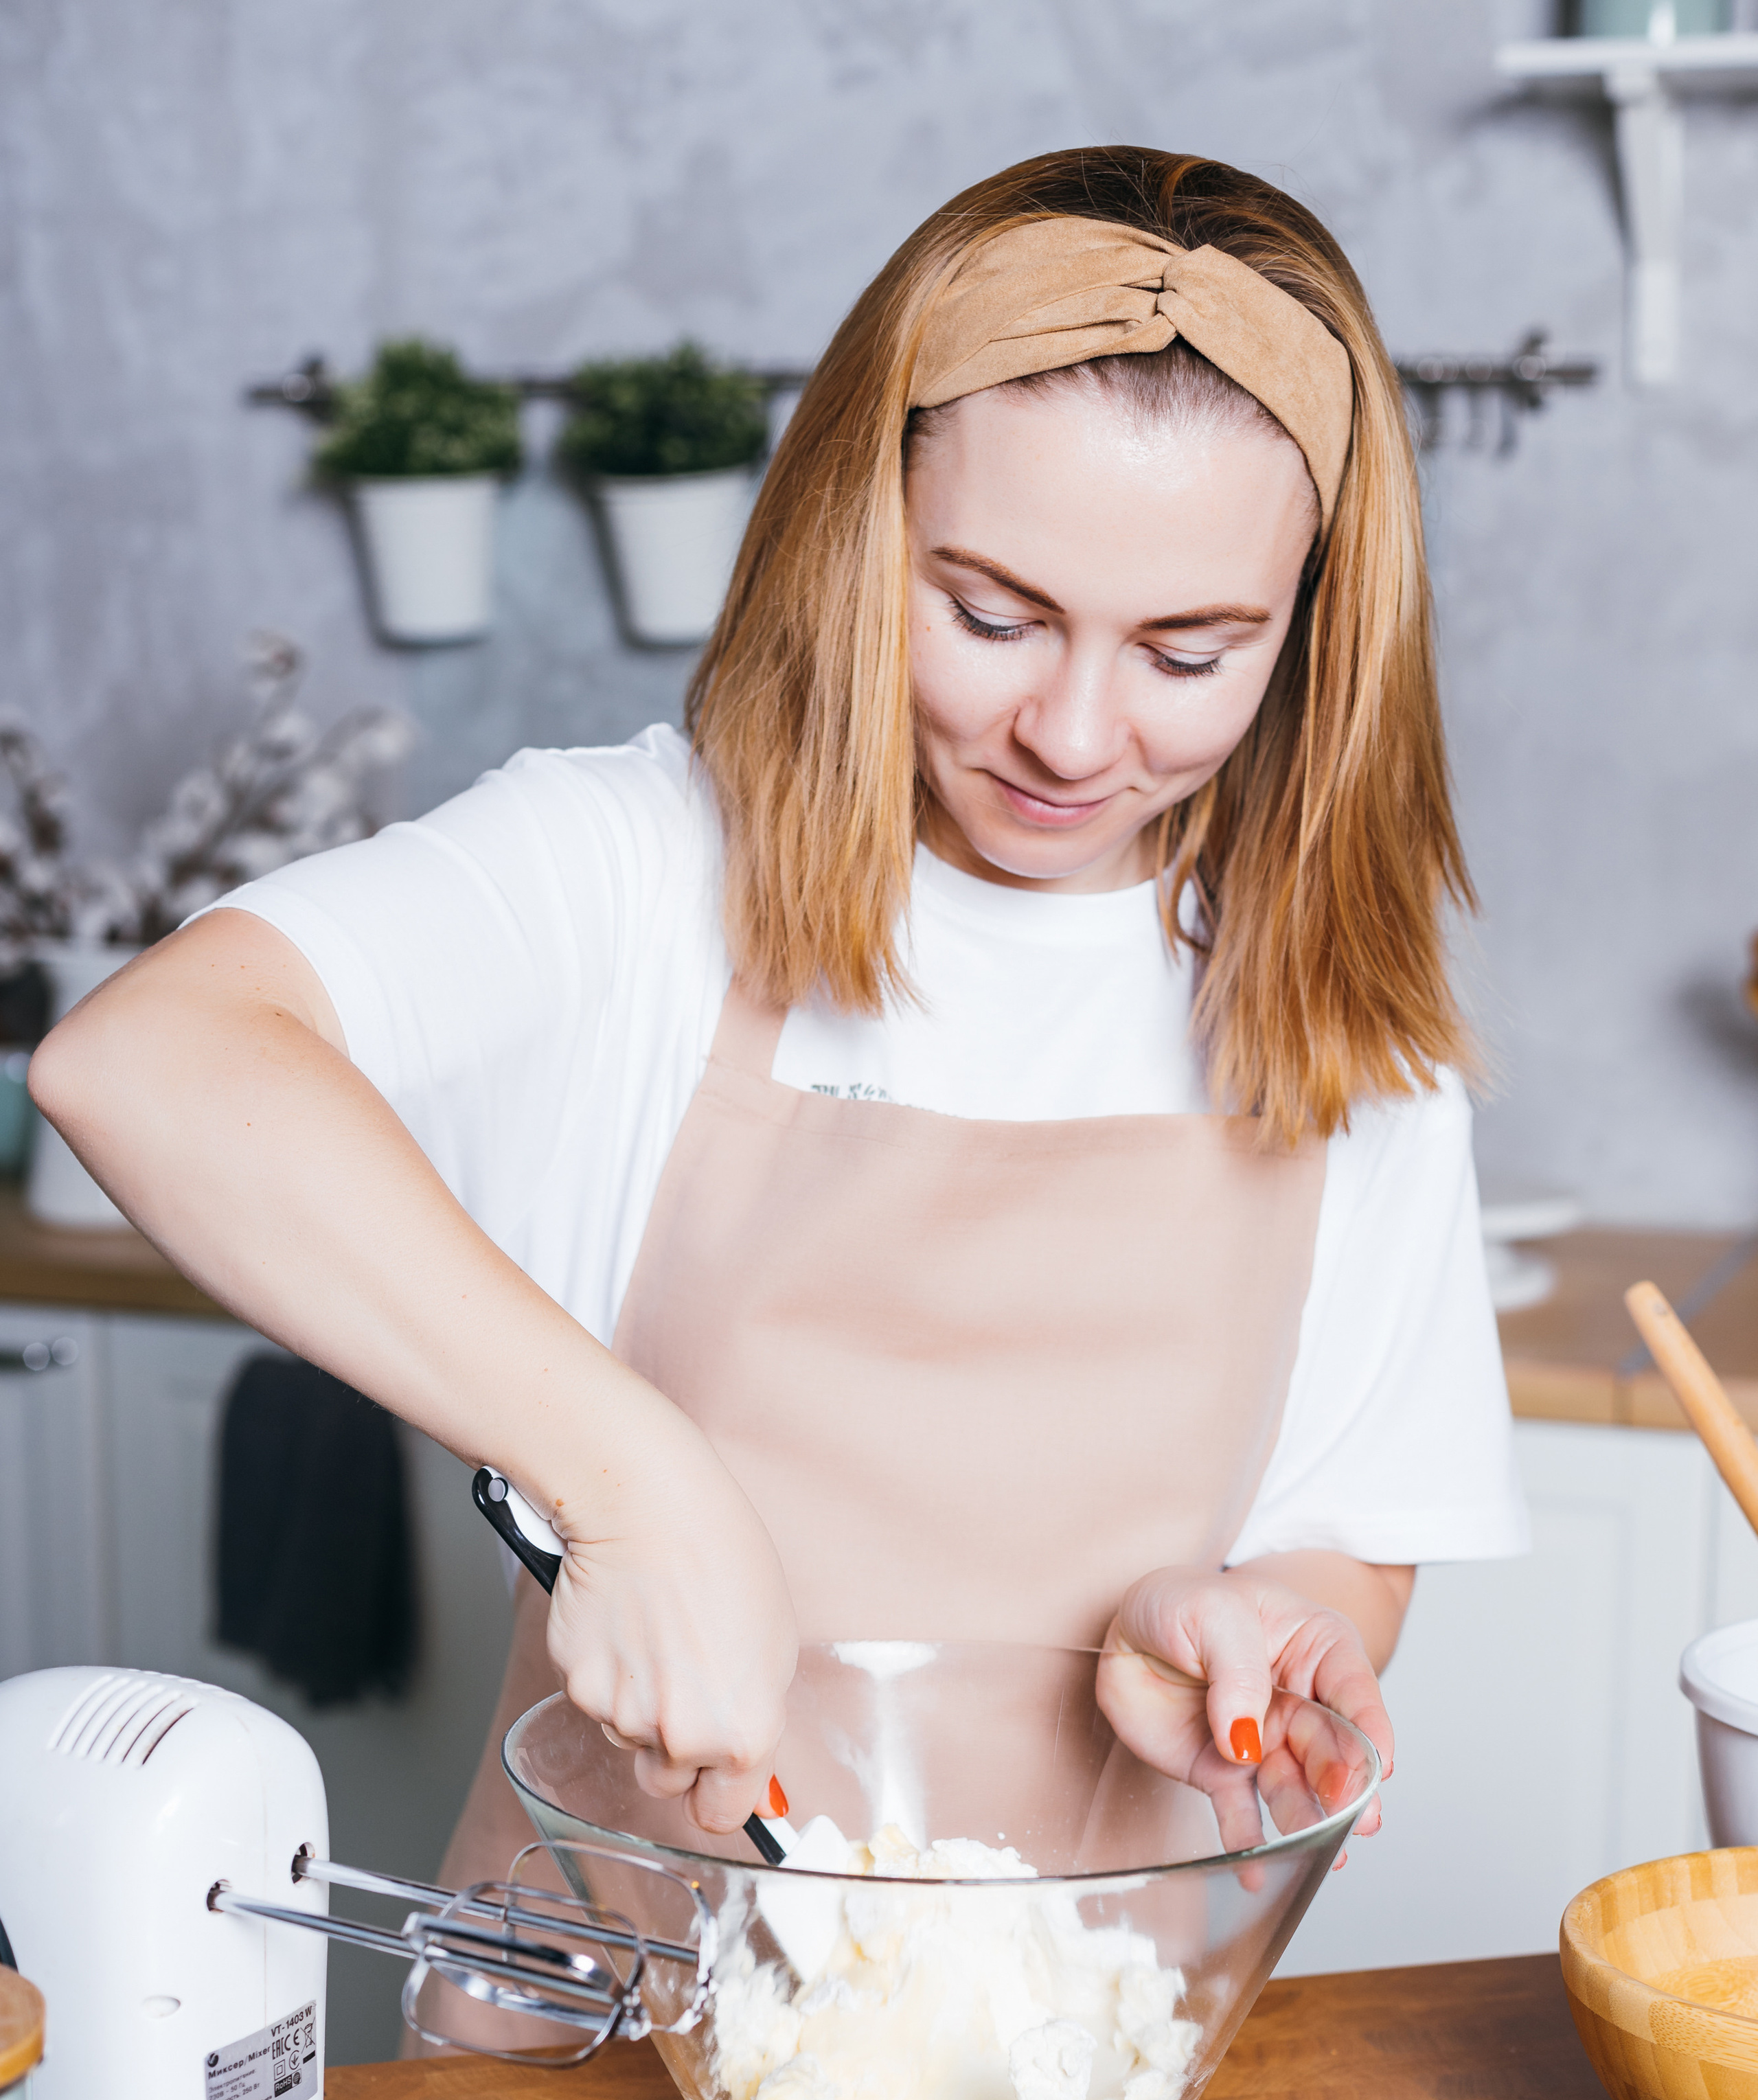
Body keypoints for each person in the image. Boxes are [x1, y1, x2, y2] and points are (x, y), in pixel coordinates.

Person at [33, 146, 1524, 1928]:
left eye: (1190, 653)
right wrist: (636, 1480)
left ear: (1311, 630)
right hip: (586, 2026)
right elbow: (146, 1060)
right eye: (989, 614)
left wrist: (1251, 1637)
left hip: (1088, 2054)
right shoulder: (638, 867)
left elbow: (1348, 1535)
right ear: (861, 531)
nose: (1071, 731)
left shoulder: (1345, 1013)